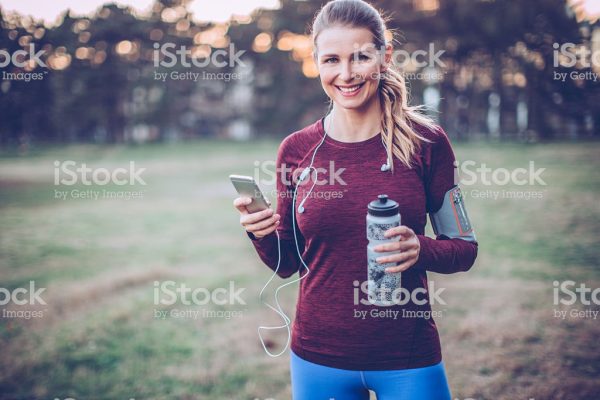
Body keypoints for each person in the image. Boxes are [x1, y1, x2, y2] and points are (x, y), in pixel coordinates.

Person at [233, 0, 478, 398]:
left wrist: (420, 248)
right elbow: (287, 264)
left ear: (385, 58)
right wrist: (260, 231)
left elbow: (465, 250)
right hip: (318, 357)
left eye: (360, 57)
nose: (345, 74)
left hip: (408, 357)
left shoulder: (427, 144)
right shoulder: (296, 151)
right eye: (331, 60)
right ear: (316, 63)